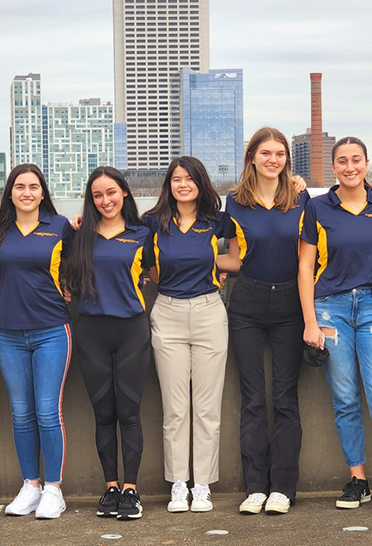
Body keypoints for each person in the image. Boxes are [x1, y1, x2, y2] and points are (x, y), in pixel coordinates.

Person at [298, 136, 372, 518]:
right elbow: (304, 267)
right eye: (343, 161)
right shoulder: (317, 208)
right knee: (346, 398)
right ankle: (359, 481)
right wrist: (310, 322)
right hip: (330, 312)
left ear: (367, 164)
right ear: (334, 167)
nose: (350, 167)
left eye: (357, 160)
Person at [216, 127, 308, 515]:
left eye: (280, 154)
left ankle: (283, 488)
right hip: (248, 302)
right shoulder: (233, 203)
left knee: (286, 399)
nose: (273, 159)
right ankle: (255, 486)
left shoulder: (302, 199)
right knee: (253, 399)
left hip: (291, 302)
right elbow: (232, 257)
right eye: (266, 153)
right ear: (252, 156)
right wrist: (201, 262)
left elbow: (316, 251)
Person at [0, 163, 74, 519]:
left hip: (51, 329)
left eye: (34, 187)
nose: (27, 193)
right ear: (10, 193)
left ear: (43, 192)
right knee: (21, 413)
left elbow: (84, 258)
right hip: (9, 332)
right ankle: (30, 485)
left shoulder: (60, 226)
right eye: (20, 187)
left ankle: (54, 489)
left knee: (48, 412)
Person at [142, 156, 230, 513]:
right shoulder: (153, 222)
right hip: (168, 313)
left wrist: (210, 266)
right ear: (169, 185)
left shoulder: (217, 221)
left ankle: (202, 485)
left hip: (209, 312)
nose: (182, 184)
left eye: (189, 179)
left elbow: (241, 255)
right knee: (175, 409)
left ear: (200, 183)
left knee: (207, 408)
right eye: (176, 179)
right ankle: (179, 483)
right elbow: (149, 268)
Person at [65, 167, 151, 520]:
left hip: (132, 330)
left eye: (112, 192)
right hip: (91, 332)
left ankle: (131, 490)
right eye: (98, 195)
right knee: (103, 413)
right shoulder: (78, 235)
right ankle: (111, 487)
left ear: (125, 193)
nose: (106, 200)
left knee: (128, 412)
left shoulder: (143, 233)